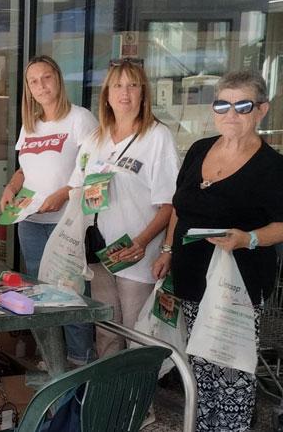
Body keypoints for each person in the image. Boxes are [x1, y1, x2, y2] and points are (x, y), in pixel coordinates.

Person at [153, 70, 283, 431]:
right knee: (202, 368)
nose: (231, 114)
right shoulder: (198, 149)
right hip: (193, 280)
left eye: (243, 105)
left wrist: (249, 238)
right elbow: (180, 206)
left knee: (230, 374)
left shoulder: (272, 168)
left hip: (236, 287)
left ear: (262, 110)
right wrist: (166, 249)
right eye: (222, 104)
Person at [69, 58, 179, 359]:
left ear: (143, 94)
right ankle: (112, 401)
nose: (125, 93)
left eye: (133, 85)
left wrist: (144, 243)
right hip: (100, 254)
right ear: (106, 94)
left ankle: (142, 404)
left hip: (137, 254)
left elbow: (170, 203)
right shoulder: (95, 140)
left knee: (138, 333)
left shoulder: (158, 137)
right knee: (106, 331)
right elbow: (77, 191)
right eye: (117, 85)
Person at [0, 55, 99, 366]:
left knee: (70, 295)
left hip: (65, 222)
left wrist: (64, 193)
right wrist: (10, 188)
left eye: (46, 78)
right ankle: (53, 359)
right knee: (41, 296)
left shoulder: (80, 119)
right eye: (33, 81)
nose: (40, 86)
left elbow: (93, 169)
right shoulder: (31, 125)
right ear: (28, 88)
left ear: (58, 79)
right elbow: (24, 170)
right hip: (30, 222)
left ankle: (80, 360)